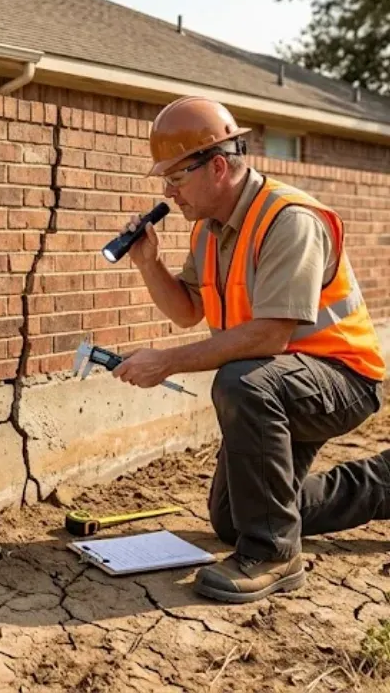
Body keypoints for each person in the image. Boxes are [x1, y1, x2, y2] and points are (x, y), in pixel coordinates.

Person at [112, 94, 387, 604]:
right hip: (281, 381)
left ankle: (276, 555)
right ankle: (382, 485)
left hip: (343, 380)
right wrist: (149, 263)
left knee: (240, 381)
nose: (168, 192)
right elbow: (187, 311)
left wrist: (166, 361)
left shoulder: (289, 220)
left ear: (217, 166)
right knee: (231, 519)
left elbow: (269, 337)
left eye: (174, 177)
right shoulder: (208, 230)